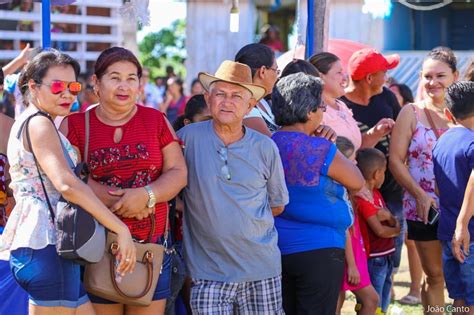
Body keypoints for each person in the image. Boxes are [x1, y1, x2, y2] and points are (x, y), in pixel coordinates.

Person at [0, 49, 136, 315]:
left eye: (73, 87)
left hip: (46, 245)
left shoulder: (32, 121)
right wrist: (120, 228)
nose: (67, 94)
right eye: (58, 86)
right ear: (33, 86)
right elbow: (66, 184)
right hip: (47, 243)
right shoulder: (39, 124)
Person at [61, 47, 187, 315]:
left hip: (152, 249)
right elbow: (69, 177)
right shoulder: (74, 126)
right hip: (97, 250)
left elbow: (178, 172)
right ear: (96, 82)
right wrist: (125, 202)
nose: (124, 86)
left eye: (132, 78)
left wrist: (147, 195)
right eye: (115, 77)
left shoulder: (156, 121)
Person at [177, 60, 289, 314]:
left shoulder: (265, 147)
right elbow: (171, 183)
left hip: (261, 267)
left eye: (237, 96)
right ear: (208, 98)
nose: (227, 102)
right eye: (221, 94)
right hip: (207, 271)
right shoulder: (187, 138)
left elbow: (277, 205)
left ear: (250, 105)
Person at [271, 73, 364, 315]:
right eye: (321, 106)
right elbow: (356, 181)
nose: (323, 112)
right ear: (310, 112)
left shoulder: (267, 142)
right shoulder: (319, 147)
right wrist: (327, 144)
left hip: (276, 247)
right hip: (320, 249)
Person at [389, 48, 459, 314]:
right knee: (435, 276)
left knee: (466, 277)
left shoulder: (466, 112)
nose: (433, 82)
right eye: (427, 76)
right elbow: (395, 160)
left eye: (440, 75)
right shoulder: (411, 113)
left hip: (464, 208)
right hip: (424, 208)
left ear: (455, 75)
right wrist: (419, 194)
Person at [167, 94, 210, 315]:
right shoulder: (178, 151)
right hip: (183, 233)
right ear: (187, 123)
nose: (211, 126)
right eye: (205, 120)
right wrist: (187, 208)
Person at [433, 81, 474, 315]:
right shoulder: (472, 142)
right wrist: (464, 220)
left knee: (458, 298)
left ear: (448, 113)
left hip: (447, 232)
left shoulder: (442, 141)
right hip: (470, 233)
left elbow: (439, 189)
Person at [335, 137, 379, 315]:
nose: (355, 164)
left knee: (338, 299)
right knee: (371, 299)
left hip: (353, 252)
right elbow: (344, 228)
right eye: (352, 160)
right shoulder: (338, 191)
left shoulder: (348, 188)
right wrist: (352, 265)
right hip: (348, 255)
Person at [355, 148, 401, 314]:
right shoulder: (364, 199)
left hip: (385, 256)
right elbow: (380, 230)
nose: (385, 176)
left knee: (383, 297)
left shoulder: (376, 194)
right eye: (384, 172)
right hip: (374, 259)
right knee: (373, 301)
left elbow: (389, 218)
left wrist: (391, 221)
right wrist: (396, 228)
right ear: (377, 174)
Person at [309, 52, 363, 150]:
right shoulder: (314, 111)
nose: (344, 78)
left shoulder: (341, 105)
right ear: (320, 77)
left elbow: (354, 148)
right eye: (339, 73)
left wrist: (376, 133)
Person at [235, 43, 280, 136]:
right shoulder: (246, 107)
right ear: (262, 71)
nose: (277, 76)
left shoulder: (263, 101)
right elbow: (272, 145)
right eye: (276, 70)